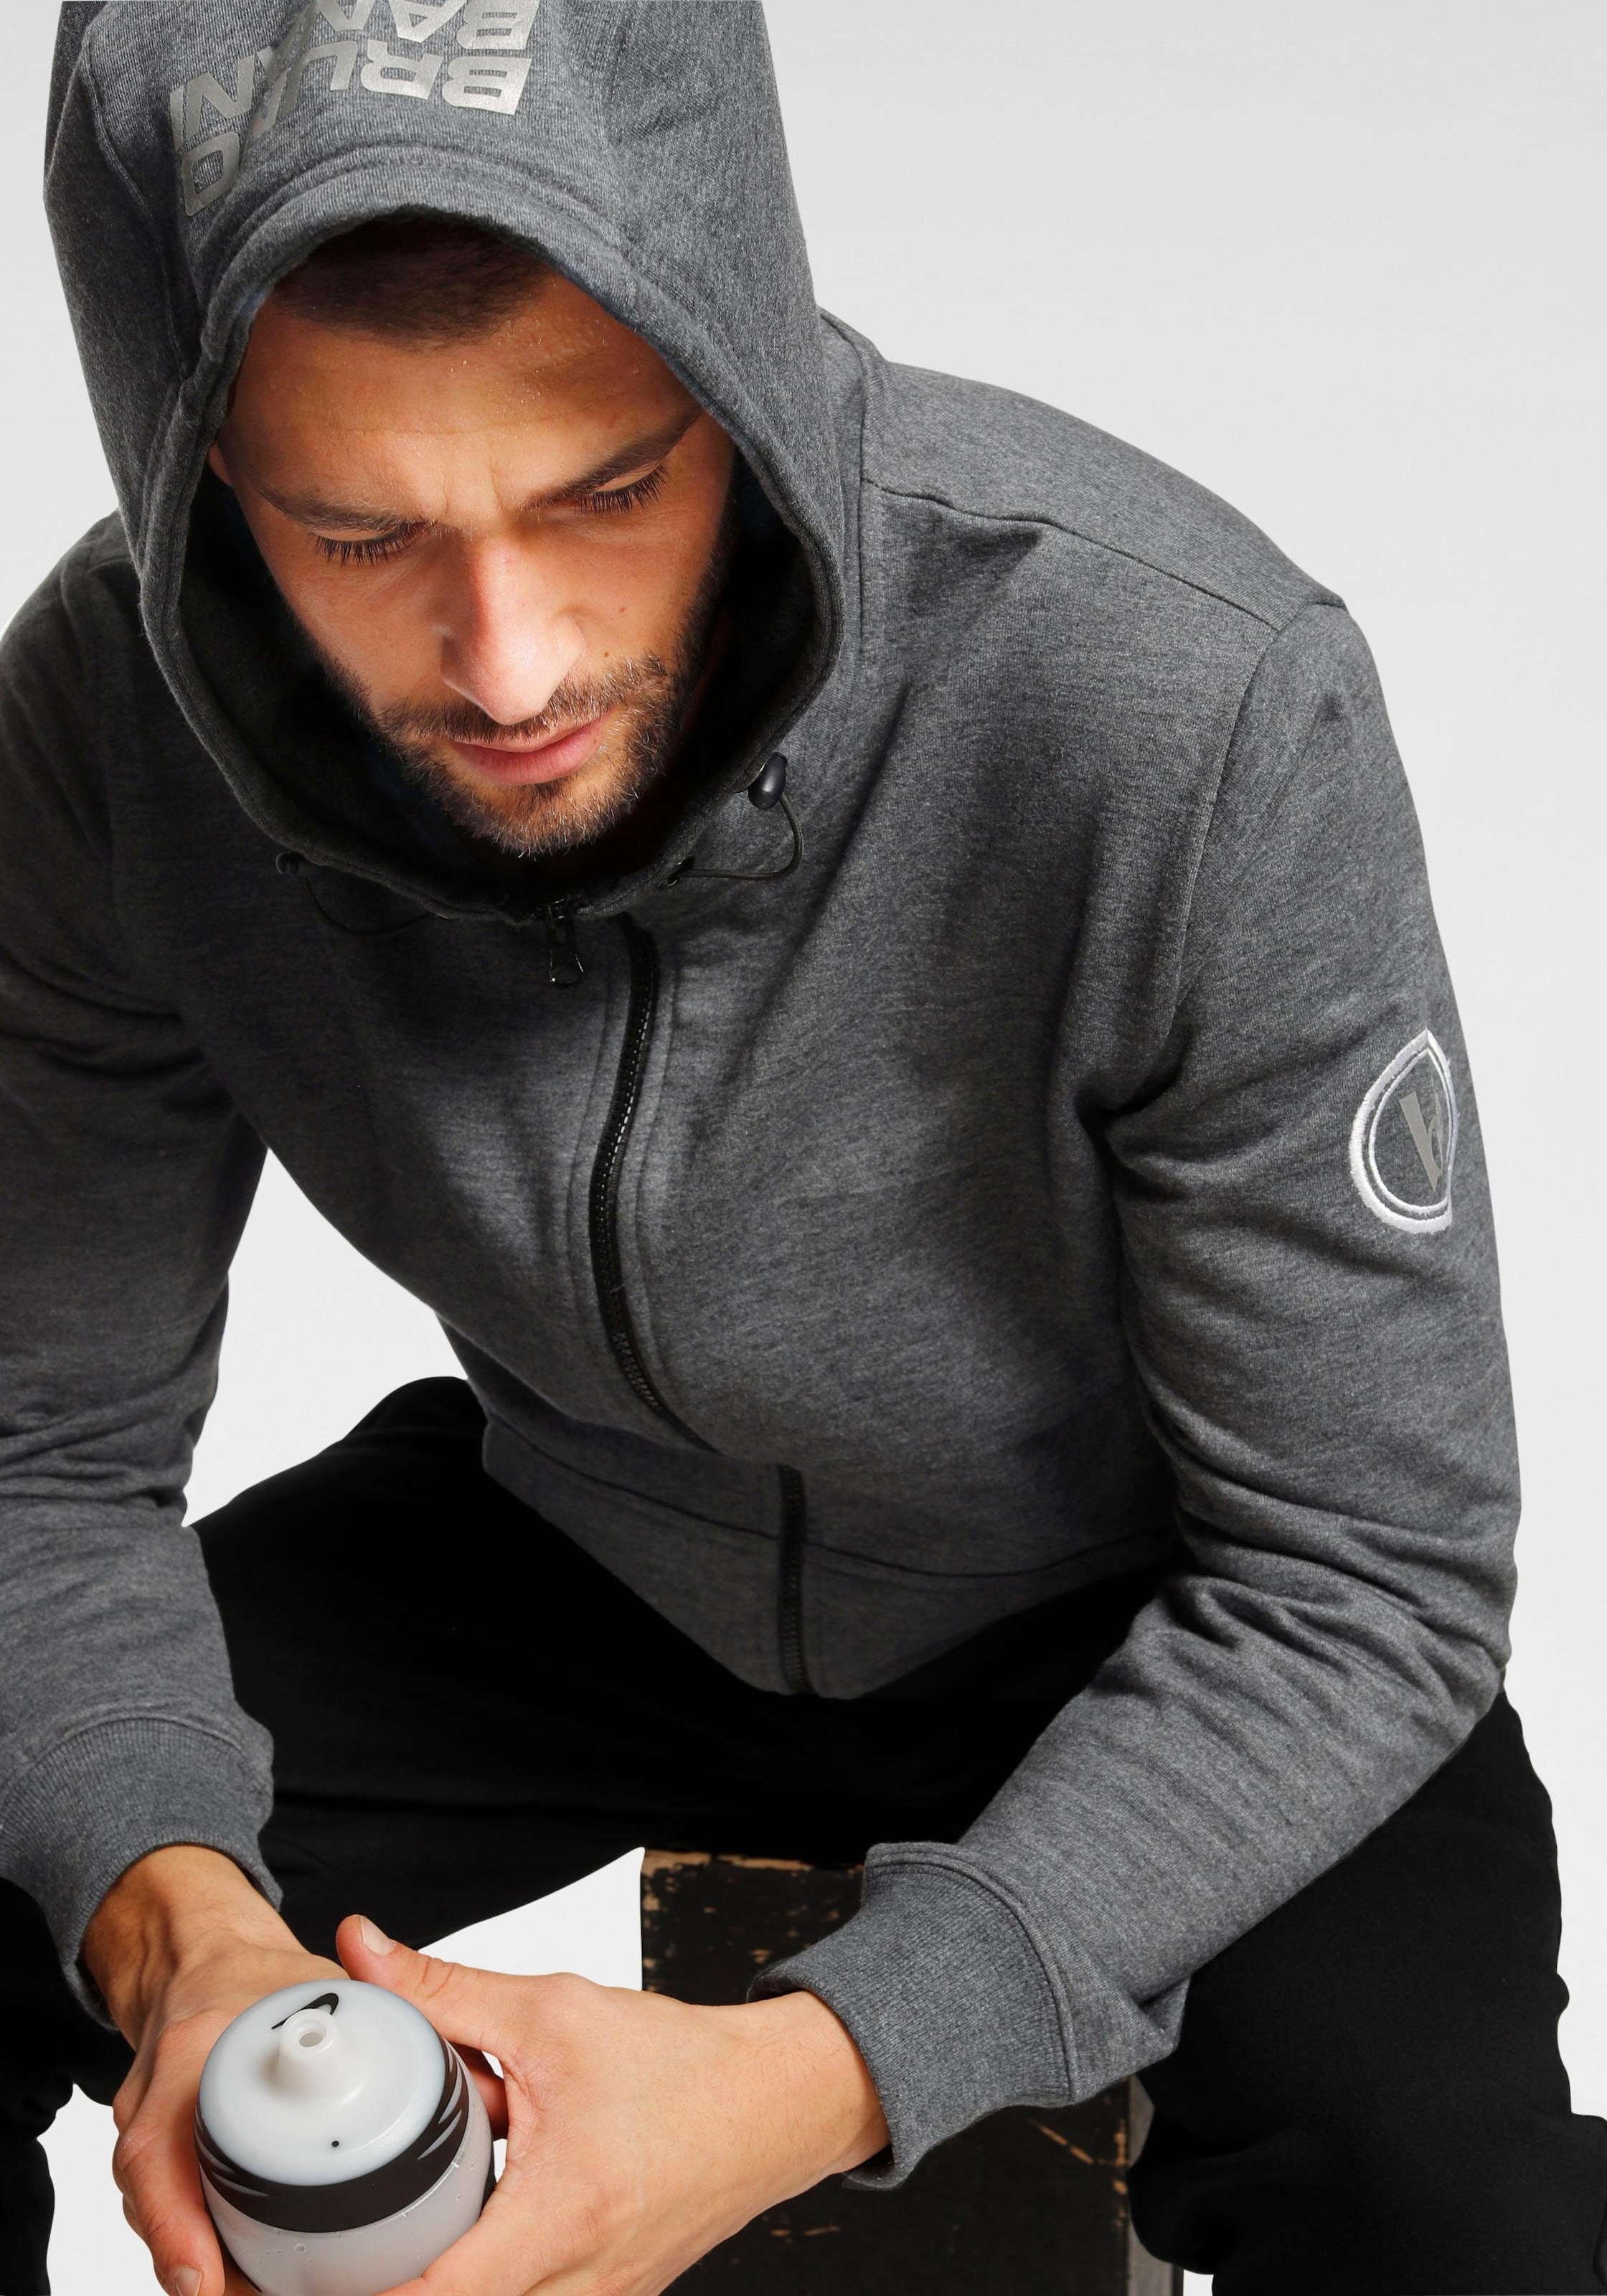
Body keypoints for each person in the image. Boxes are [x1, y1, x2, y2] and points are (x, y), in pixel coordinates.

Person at [2, 5, 1602, 2292]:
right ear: (199, 481)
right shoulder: (110, 714)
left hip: (1159, 1603)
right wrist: (181, 1937)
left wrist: (804, 2075)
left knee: (1463, 2211)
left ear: (739, 386)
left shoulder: (1181, 696)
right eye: (358, 532)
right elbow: (42, 1459)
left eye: (607, 493)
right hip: (573, 1549)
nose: (509, 663)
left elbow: (1371, 1575)